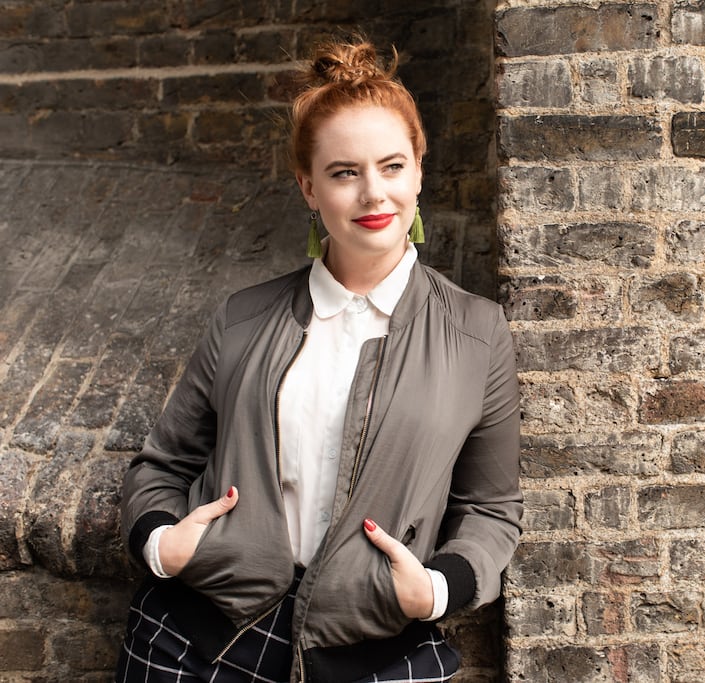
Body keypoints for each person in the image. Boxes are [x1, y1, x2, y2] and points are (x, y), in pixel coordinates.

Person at [116, 36, 522, 683]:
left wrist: (437, 589)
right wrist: (164, 545)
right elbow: (162, 466)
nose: (372, 193)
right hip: (193, 643)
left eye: (391, 166)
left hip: (379, 656)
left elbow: (492, 507)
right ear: (309, 185)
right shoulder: (244, 318)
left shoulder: (476, 332)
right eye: (343, 172)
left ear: (419, 167)